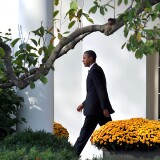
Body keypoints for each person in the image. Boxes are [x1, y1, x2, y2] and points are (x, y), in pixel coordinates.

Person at [74, 50, 115, 156]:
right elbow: (93, 92)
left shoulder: (95, 70)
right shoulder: (94, 70)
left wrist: (105, 108)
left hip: (96, 111)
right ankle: (118, 153)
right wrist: (84, 103)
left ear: (91, 58)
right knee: (111, 133)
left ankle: (70, 156)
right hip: (98, 110)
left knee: (83, 136)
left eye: (84, 58)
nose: (82, 60)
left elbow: (101, 90)